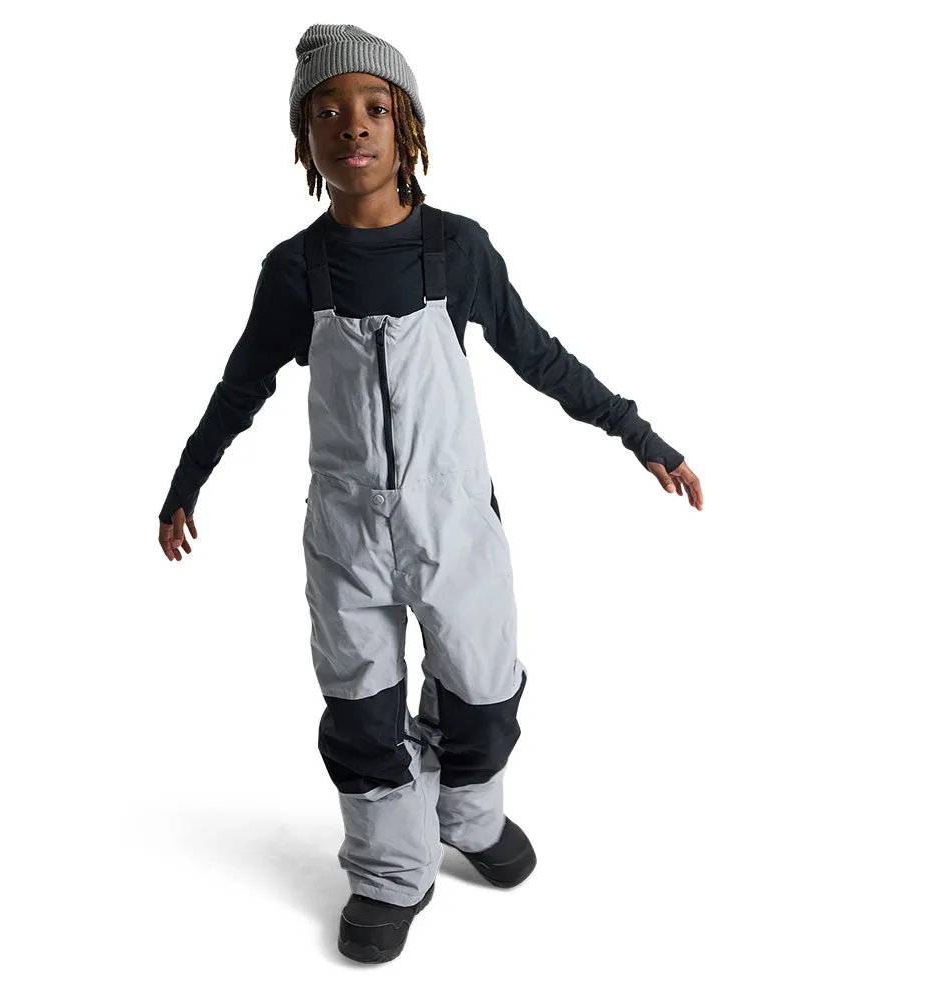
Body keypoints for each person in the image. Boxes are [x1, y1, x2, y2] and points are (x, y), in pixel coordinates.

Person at [157, 23, 704, 964]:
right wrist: (184, 486)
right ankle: (389, 873)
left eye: (374, 107)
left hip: (456, 526)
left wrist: (638, 435)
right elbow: (239, 388)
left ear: (407, 127)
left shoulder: (458, 250)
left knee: (483, 694)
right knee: (362, 714)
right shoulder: (295, 272)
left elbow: (541, 356)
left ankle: (467, 815)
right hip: (346, 540)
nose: (351, 126)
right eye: (327, 113)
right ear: (304, 140)